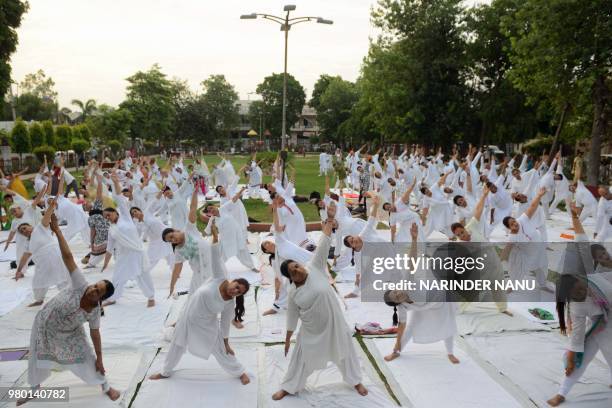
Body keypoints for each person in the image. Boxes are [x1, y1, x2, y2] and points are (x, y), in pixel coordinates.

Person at [19, 214, 119, 405]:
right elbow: (68, 257)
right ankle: (34, 389)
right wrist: (57, 231)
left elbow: (95, 335)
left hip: (69, 334)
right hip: (44, 325)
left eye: (97, 291)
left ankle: (106, 386)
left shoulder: (94, 312)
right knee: (35, 358)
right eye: (94, 286)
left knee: (89, 358)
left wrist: (100, 359)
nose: (92, 289)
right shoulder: (81, 284)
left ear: (100, 299)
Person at [272, 219, 368, 400]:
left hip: (334, 323)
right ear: (290, 277)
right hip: (312, 330)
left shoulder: (314, 267)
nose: (298, 270)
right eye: (293, 272)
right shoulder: (293, 291)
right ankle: (289, 386)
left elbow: (323, 246)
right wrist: (287, 338)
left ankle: (355, 381)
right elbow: (292, 315)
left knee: (345, 353)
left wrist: (328, 225)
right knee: (300, 359)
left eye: (297, 266)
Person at [148, 222, 251, 385]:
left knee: (220, 350)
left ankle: (239, 371)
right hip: (188, 317)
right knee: (177, 345)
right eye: (237, 286)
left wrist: (226, 343)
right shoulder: (219, 278)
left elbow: (224, 324)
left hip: (206, 324)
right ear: (233, 281)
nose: (235, 290)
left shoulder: (229, 303)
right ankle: (165, 371)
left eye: (239, 292)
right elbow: (215, 256)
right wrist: (216, 236)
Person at [547, 205, 612, 406]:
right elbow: (576, 338)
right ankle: (562, 392)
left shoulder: (591, 275)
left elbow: (581, 239)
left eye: (581, 288)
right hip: (601, 325)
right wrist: (572, 355)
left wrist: (574, 216)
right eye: (577, 294)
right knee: (580, 360)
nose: (582, 292)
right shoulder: (577, 307)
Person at [101, 172, 156, 307]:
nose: (107, 217)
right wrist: (105, 263)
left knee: (143, 275)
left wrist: (115, 183)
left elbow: (119, 198)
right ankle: (113, 297)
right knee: (118, 277)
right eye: (105, 217)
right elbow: (109, 248)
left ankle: (150, 297)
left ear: (115, 212)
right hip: (123, 255)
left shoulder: (125, 217)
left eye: (108, 214)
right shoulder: (111, 229)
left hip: (136, 252)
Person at [15, 198, 71, 307]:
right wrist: (18, 270)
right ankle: (39, 299)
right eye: (22, 231)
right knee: (37, 281)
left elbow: (47, 216)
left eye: (25, 228)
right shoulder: (28, 243)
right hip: (41, 263)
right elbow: (24, 257)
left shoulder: (40, 228)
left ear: (30, 226)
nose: (24, 231)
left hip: (54, 256)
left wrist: (51, 206)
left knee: (61, 277)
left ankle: (69, 297)